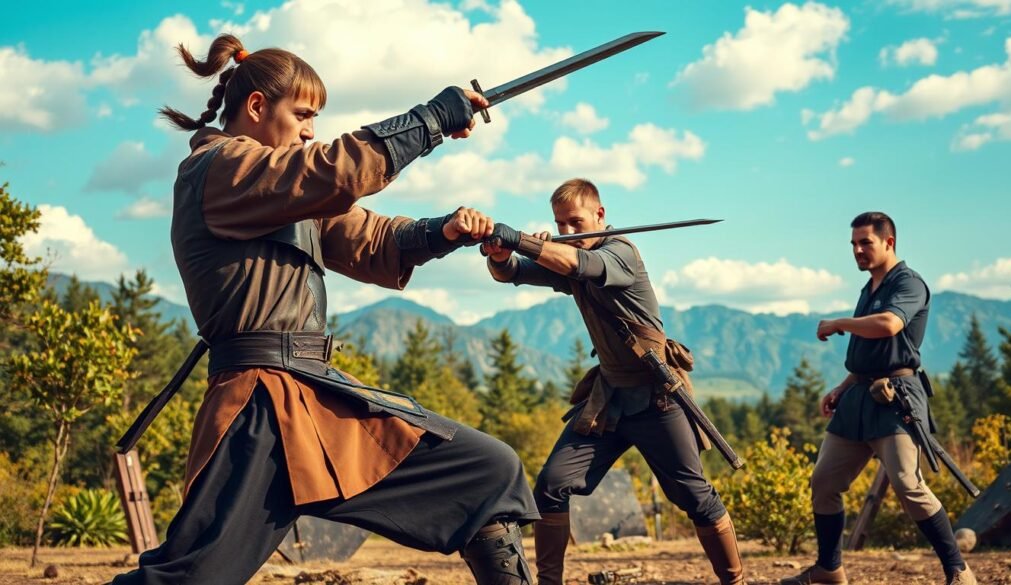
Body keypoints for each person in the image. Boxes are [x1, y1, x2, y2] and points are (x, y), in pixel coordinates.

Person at [112, 34, 538, 585]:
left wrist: (444, 231)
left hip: (318, 398)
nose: (311, 129)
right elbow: (331, 172)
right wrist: (431, 119)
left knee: (487, 471)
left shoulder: (284, 190)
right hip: (257, 410)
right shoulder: (219, 169)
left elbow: (371, 238)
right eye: (304, 114)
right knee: (189, 579)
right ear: (258, 107)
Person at [481, 178, 745, 585]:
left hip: (659, 397)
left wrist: (522, 240)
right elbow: (512, 273)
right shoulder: (568, 254)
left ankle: (735, 581)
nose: (568, 231)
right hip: (609, 400)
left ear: (599, 216)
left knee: (695, 497)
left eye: (576, 222)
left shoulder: (621, 252)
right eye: (560, 224)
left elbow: (578, 266)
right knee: (552, 486)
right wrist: (499, 254)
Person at [780, 212, 975, 585]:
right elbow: (870, 353)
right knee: (823, 482)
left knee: (907, 485)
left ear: (889, 242)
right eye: (853, 244)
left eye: (865, 242)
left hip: (895, 398)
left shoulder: (909, 283)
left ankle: (958, 571)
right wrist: (842, 386)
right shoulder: (868, 288)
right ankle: (829, 570)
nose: (857, 250)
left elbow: (889, 325)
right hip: (857, 397)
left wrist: (839, 323)